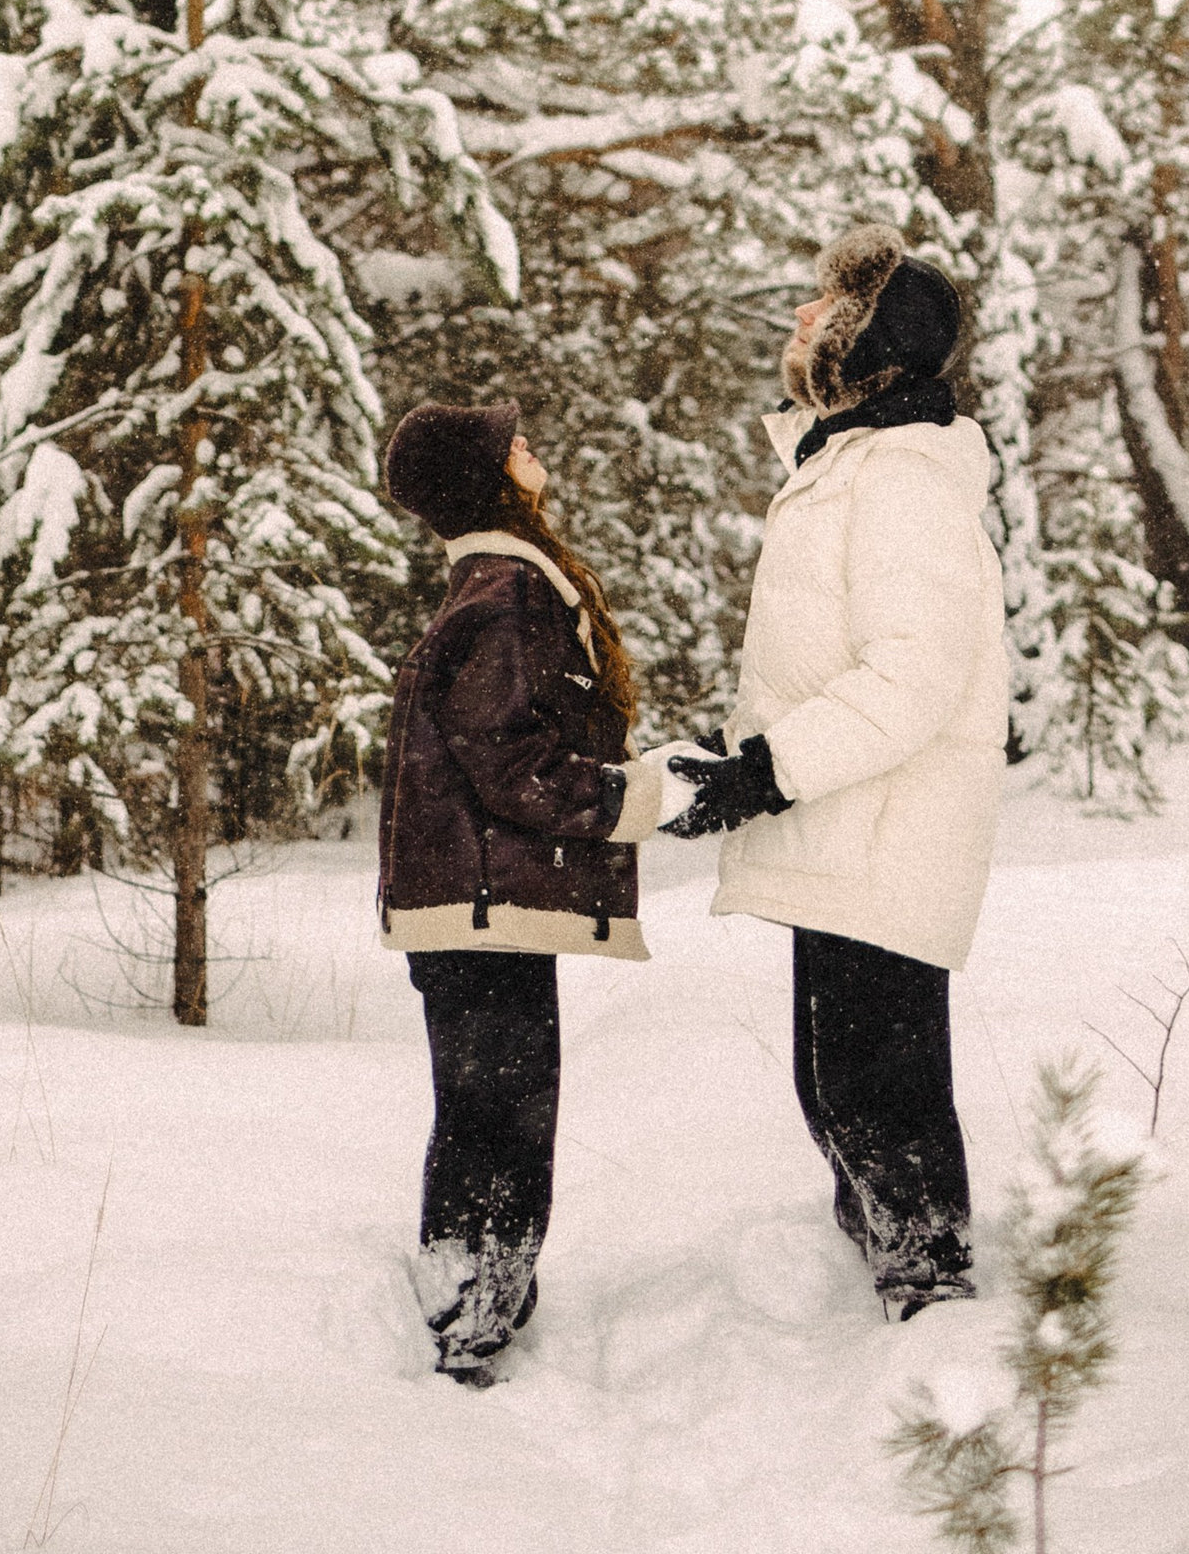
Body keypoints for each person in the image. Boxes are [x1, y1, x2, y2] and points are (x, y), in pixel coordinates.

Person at [666, 220, 1006, 1319]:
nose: (800, 319)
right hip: (843, 826)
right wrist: (747, 762)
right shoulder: (850, 462)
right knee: (841, 1086)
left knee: (880, 1094)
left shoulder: (900, 478)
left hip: (883, 832)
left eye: (824, 308)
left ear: (867, 345)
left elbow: (911, 677)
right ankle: (880, 1281)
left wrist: (770, 771)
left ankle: (930, 1299)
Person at [376, 398, 670, 1387]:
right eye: (517, 446)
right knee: (500, 1113)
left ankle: (463, 1301)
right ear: (490, 478)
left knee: (478, 1108)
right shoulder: (508, 588)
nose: (535, 450)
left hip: (471, 900)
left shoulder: (488, 581)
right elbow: (513, 762)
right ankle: (470, 1327)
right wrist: (636, 799)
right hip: (483, 903)